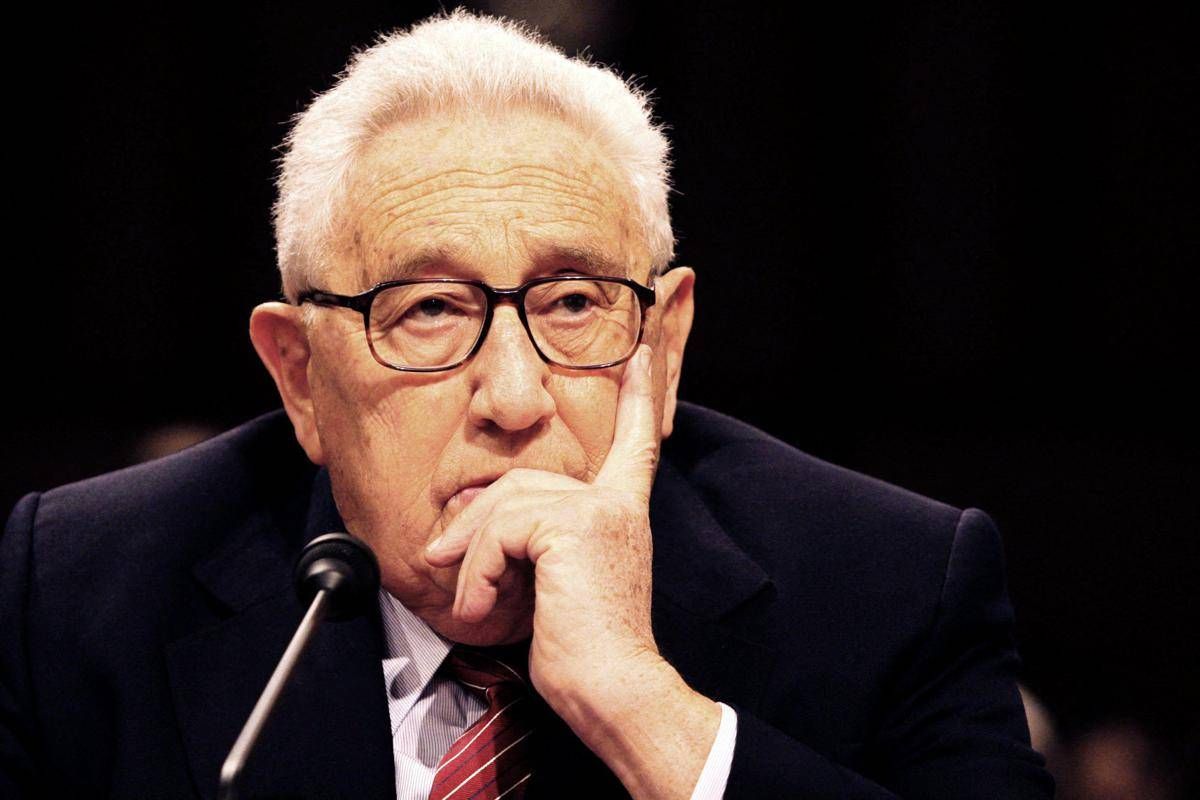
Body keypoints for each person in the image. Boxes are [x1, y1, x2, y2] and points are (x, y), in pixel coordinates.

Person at [0, 10, 1054, 799]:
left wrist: (643, 708)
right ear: (300, 377)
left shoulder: (892, 588)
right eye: (427, 310)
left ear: (663, 349)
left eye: (574, 303)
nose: (513, 397)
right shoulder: (83, 593)